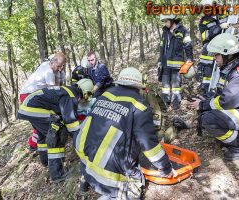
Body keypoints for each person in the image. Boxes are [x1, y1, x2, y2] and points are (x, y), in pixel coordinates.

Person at [73, 67, 174, 199]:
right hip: (110, 177)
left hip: (86, 166)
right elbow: (149, 145)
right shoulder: (139, 106)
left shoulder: (104, 96)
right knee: (136, 187)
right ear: (139, 87)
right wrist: (166, 168)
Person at [189, 33, 239, 161]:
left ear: (227, 54)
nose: (215, 58)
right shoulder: (231, 68)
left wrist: (203, 105)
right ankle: (231, 138)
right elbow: (222, 93)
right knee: (207, 110)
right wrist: (206, 100)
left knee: (208, 119)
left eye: (216, 55)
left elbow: (228, 100)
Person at [17, 79, 94, 182]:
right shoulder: (71, 96)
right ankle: (57, 174)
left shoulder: (66, 90)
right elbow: (70, 122)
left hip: (27, 108)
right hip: (35, 109)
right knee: (57, 135)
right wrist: (79, 139)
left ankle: (45, 162)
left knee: (42, 135)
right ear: (86, 93)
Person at [19, 52, 66, 151]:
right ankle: (34, 145)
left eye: (62, 66)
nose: (60, 69)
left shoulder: (46, 64)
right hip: (29, 96)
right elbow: (54, 91)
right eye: (58, 66)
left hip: (29, 95)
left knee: (39, 123)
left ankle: (36, 146)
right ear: (53, 62)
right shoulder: (49, 72)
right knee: (43, 121)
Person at [158, 14, 194, 110]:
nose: (165, 24)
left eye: (166, 21)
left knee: (176, 85)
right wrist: (159, 61)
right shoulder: (164, 32)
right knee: (165, 86)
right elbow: (162, 48)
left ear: (172, 20)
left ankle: (175, 103)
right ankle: (166, 102)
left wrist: (189, 60)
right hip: (165, 64)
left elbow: (188, 45)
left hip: (176, 65)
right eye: (164, 22)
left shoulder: (182, 30)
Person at [197, 0, 229, 95]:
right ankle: (206, 96)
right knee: (207, 76)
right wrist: (219, 27)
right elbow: (205, 36)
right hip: (209, 53)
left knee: (222, 76)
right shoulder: (204, 21)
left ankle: (220, 96)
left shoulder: (222, 14)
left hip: (223, 50)